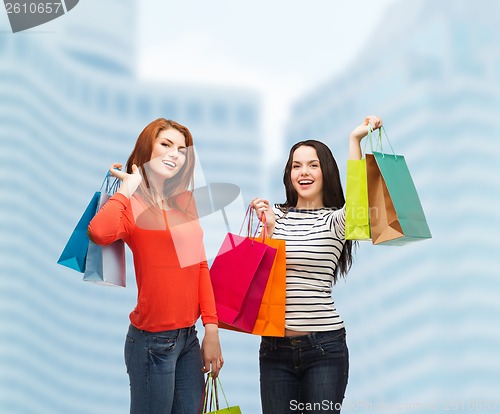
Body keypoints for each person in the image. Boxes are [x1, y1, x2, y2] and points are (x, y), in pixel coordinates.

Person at [88, 118, 223, 414]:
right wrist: (127, 188)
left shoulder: (185, 203)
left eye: (182, 149)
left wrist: (211, 330)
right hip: (151, 344)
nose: (175, 153)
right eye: (166, 144)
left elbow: (199, 266)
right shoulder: (130, 204)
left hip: (188, 340)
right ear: (147, 147)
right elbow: (99, 233)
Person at [251, 115, 383, 414]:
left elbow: (359, 205)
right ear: (288, 174)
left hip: (324, 348)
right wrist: (267, 231)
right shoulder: (274, 216)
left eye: (313, 164)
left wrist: (354, 140)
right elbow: (257, 281)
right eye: (296, 165)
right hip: (273, 350)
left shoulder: (335, 221)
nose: (304, 172)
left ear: (326, 172)